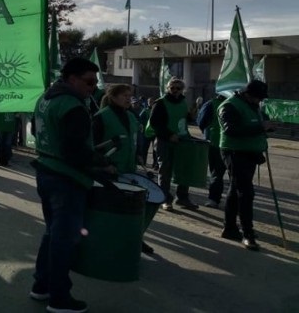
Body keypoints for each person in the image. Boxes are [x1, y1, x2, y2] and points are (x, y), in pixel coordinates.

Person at [31, 57, 112, 313]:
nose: (93, 87)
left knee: (52, 233)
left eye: (95, 83)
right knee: (64, 239)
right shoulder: (73, 106)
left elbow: (35, 131)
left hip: (45, 171)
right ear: (72, 78)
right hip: (66, 179)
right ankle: (59, 298)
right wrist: (102, 164)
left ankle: (41, 286)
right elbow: (74, 151)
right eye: (89, 82)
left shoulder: (45, 98)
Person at [93, 84, 155, 254]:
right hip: (109, 172)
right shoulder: (101, 117)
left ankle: (134, 238)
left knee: (132, 211)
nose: (129, 98)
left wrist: (139, 154)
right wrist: (105, 165)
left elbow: (133, 139)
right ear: (113, 97)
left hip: (128, 170)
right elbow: (93, 146)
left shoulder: (131, 116)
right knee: (111, 212)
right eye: (124, 95)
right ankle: (108, 244)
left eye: (130, 95)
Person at [218, 80, 271, 251]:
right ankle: (247, 233)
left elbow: (256, 123)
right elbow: (231, 130)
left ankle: (229, 228)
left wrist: (267, 127)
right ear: (247, 94)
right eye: (258, 97)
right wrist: (260, 128)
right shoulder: (230, 106)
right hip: (235, 152)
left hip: (249, 152)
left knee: (235, 190)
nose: (260, 101)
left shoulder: (252, 106)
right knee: (245, 192)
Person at [147, 77, 198, 211]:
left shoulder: (183, 102)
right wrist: (169, 135)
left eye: (178, 88)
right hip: (164, 141)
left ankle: (182, 197)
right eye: (172, 88)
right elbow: (155, 123)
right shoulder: (160, 103)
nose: (175, 90)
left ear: (182, 90)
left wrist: (191, 116)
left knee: (184, 171)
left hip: (182, 141)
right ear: (168, 88)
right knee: (165, 171)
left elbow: (184, 119)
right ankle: (165, 199)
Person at [198, 94, 227, 208]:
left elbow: (201, 121)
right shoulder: (240, 103)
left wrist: (207, 132)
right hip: (226, 144)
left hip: (216, 142)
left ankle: (214, 199)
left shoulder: (211, 104)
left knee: (216, 173)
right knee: (220, 173)